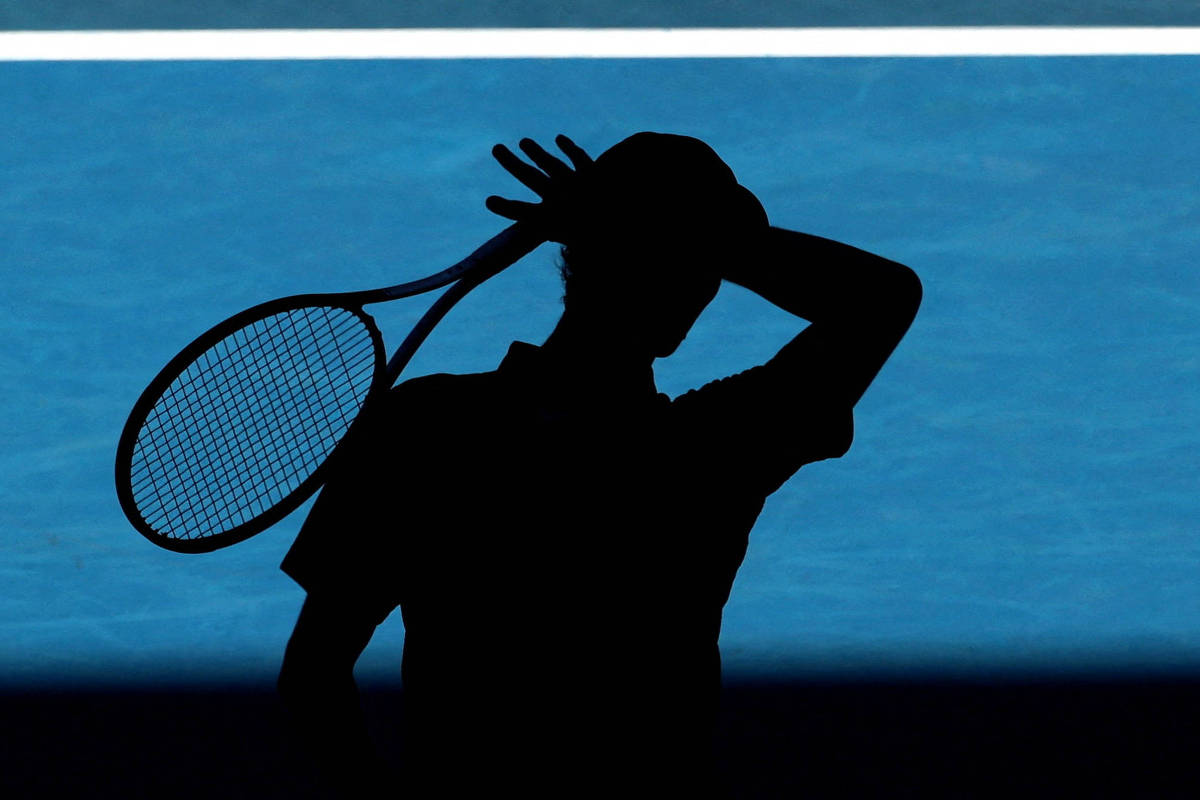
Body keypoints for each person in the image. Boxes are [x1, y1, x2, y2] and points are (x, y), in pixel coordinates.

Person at [276, 132, 922, 797]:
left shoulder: (425, 425)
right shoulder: (716, 449)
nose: (704, 287)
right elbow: (881, 298)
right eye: (698, 264)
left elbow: (312, 675)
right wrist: (696, 237)